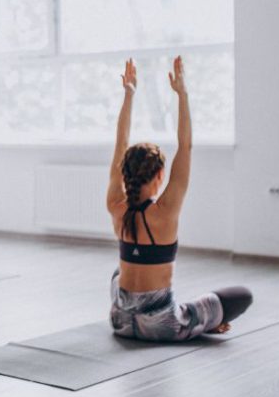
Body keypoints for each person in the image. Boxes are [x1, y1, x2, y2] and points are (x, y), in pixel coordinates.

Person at [107, 56, 252, 341]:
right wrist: (182, 94)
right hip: (162, 326)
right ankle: (203, 323)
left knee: (118, 273)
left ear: (124, 171)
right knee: (241, 296)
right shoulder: (165, 211)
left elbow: (120, 144)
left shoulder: (115, 207)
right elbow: (185, 145)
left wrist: (129, 94)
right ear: (161, 175)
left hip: (120, 321)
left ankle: (196, 320)